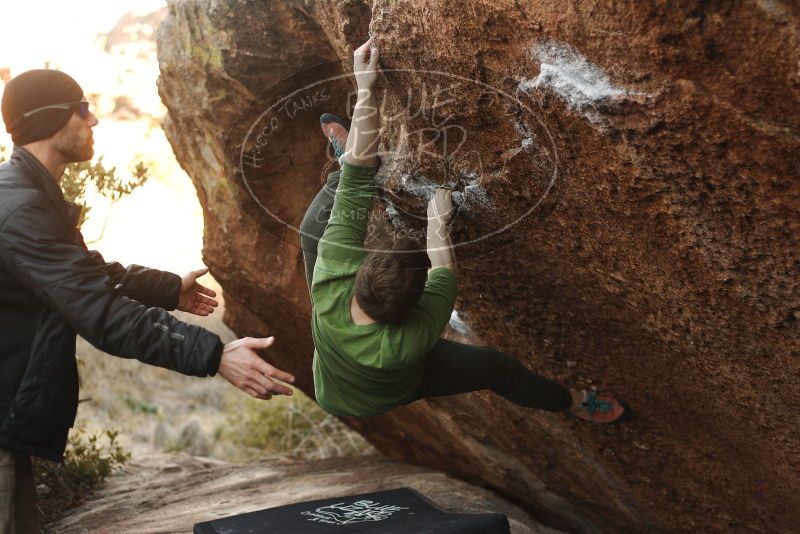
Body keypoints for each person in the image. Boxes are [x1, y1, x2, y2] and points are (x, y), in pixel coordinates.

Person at [0, 69, 296, 533]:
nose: (93, 120)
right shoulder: (20, 209)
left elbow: (82, 273)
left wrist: (165, 288)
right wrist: (215, 355)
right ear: (52, 121)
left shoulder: (24, 193)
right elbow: (101, 314)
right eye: (82, 109)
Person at [301, 39, 625, 423]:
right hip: (391, 390)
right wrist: (438, 220)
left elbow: (361, 182)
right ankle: (574, 402)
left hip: (331, 380)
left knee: (313, 229)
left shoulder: (329, 284)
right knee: (496, 368)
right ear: (416, 308)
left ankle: (350, 154)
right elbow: (443, 267)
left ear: (357, 277)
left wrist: (366, 86)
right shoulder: (410, 341)